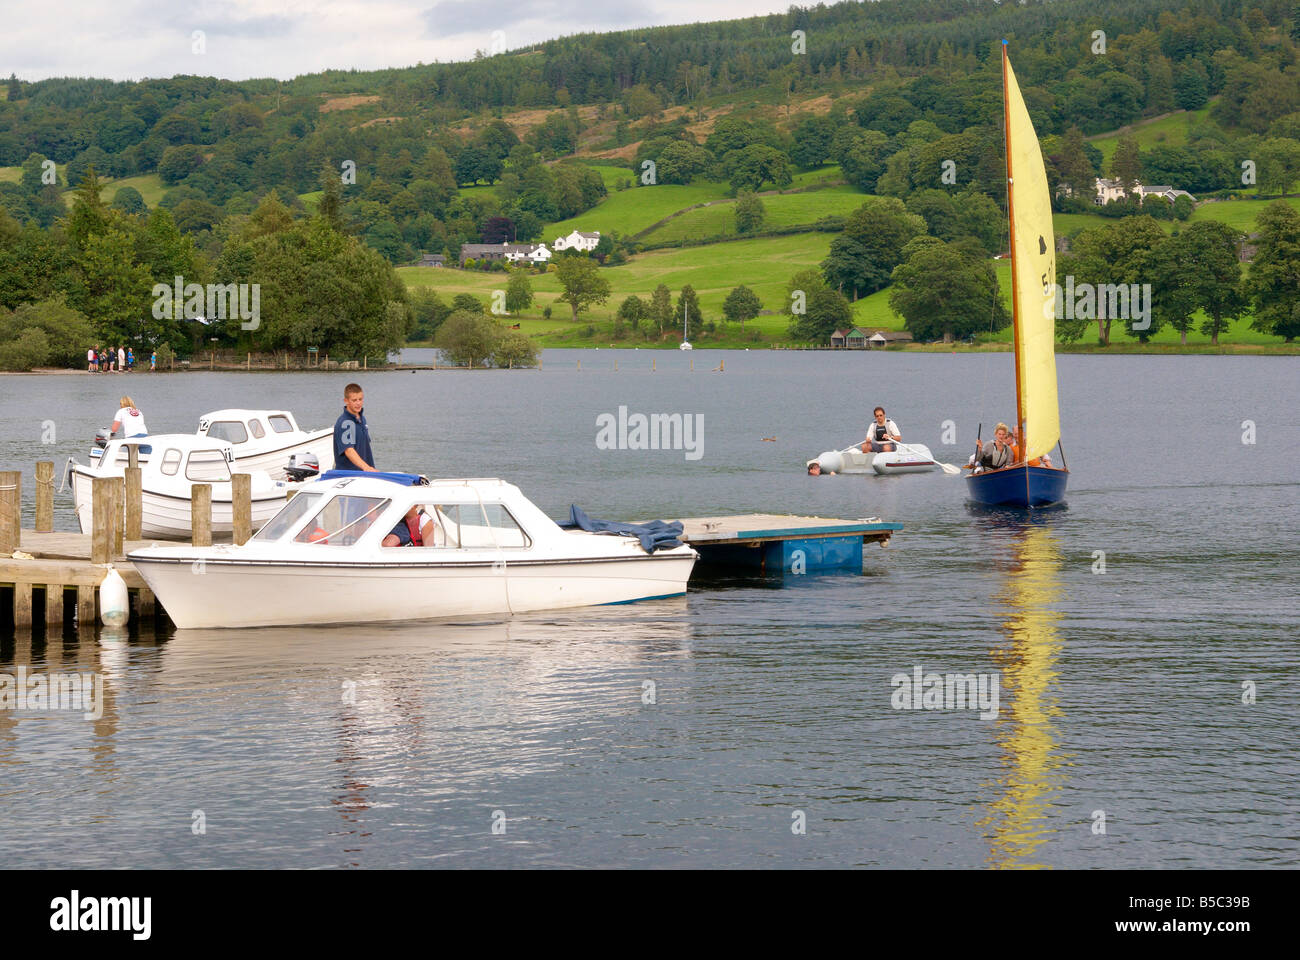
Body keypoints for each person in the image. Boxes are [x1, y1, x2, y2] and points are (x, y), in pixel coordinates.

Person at [333, 382, 376, 471]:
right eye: (354, 400)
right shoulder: (346, 423)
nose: (358, 403)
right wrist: (367, 468)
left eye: (360, 399)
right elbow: (349, 451)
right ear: (346, 401)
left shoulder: (362, 419)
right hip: (350, 475)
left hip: (365, 474)